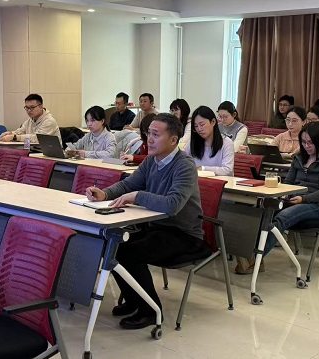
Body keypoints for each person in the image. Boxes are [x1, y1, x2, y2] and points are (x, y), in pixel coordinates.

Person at [85, 113, 204, 330]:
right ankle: (134, 300)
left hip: (184, 234)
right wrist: (105, 193)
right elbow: (128, 185)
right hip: (156, 227)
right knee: (114, 246)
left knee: (131, 252)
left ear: (173, 140)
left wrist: (138, 196)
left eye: (156, 135)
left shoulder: (184, 165)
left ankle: (151, 311)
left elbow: (172, 205)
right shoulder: (151, 161)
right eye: (148, 133)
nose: (149, 139)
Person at [235, 122, 319, 275]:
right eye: (303, 142)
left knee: (282, 217)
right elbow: (288, 182)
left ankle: (255, 258)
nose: (307, 146)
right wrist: (284, 194)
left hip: (315, 204)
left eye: (311, 142)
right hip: (293, 198)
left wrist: (304, 199)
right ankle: (247, 251)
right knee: (259, 212)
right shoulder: (299, 157)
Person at [185, 106, 235, 176]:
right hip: (197, 181)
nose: (199, 129)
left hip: (220, 182)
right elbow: (183, 164)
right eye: (196, 126)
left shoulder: (226, 143)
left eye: (202, 125)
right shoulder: (192, 143)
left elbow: (227, 170)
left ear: (213, 122)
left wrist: (203, 168)